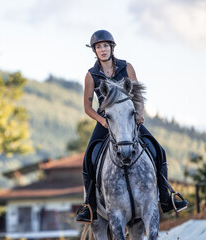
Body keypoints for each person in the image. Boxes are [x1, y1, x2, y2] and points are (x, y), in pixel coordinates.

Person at [75, 30, 188, 223]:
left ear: (112, 48)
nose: (102, 50)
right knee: (89, 158)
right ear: (94, 50)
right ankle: (89, 205)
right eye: (99, 47)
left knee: (157, 149)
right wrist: (102, 120)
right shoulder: (91, 75)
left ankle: (166, 196)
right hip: (106, 120)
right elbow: (87, 107)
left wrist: (140, 113)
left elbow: (137, 95)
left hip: (129, 119)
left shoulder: (126, 67)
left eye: (105, 46)